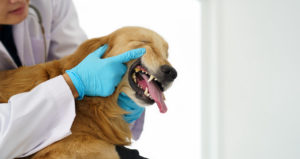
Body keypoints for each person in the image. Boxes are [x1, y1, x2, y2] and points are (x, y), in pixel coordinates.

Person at [0, 0, 146, 158]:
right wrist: (73, 84)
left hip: (63, 137)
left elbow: (74, 60)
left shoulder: (49, 3)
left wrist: (115, 100)